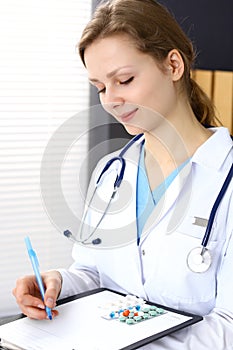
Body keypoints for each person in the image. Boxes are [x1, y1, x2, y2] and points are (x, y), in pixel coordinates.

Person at [13, 0, 233, 348]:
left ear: (173, 65)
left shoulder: (227, 179)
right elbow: (93, 273)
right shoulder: (111, 172)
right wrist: (56, 284)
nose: (111, 100)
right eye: (100, 87)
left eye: (124, 80)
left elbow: (229, 325)